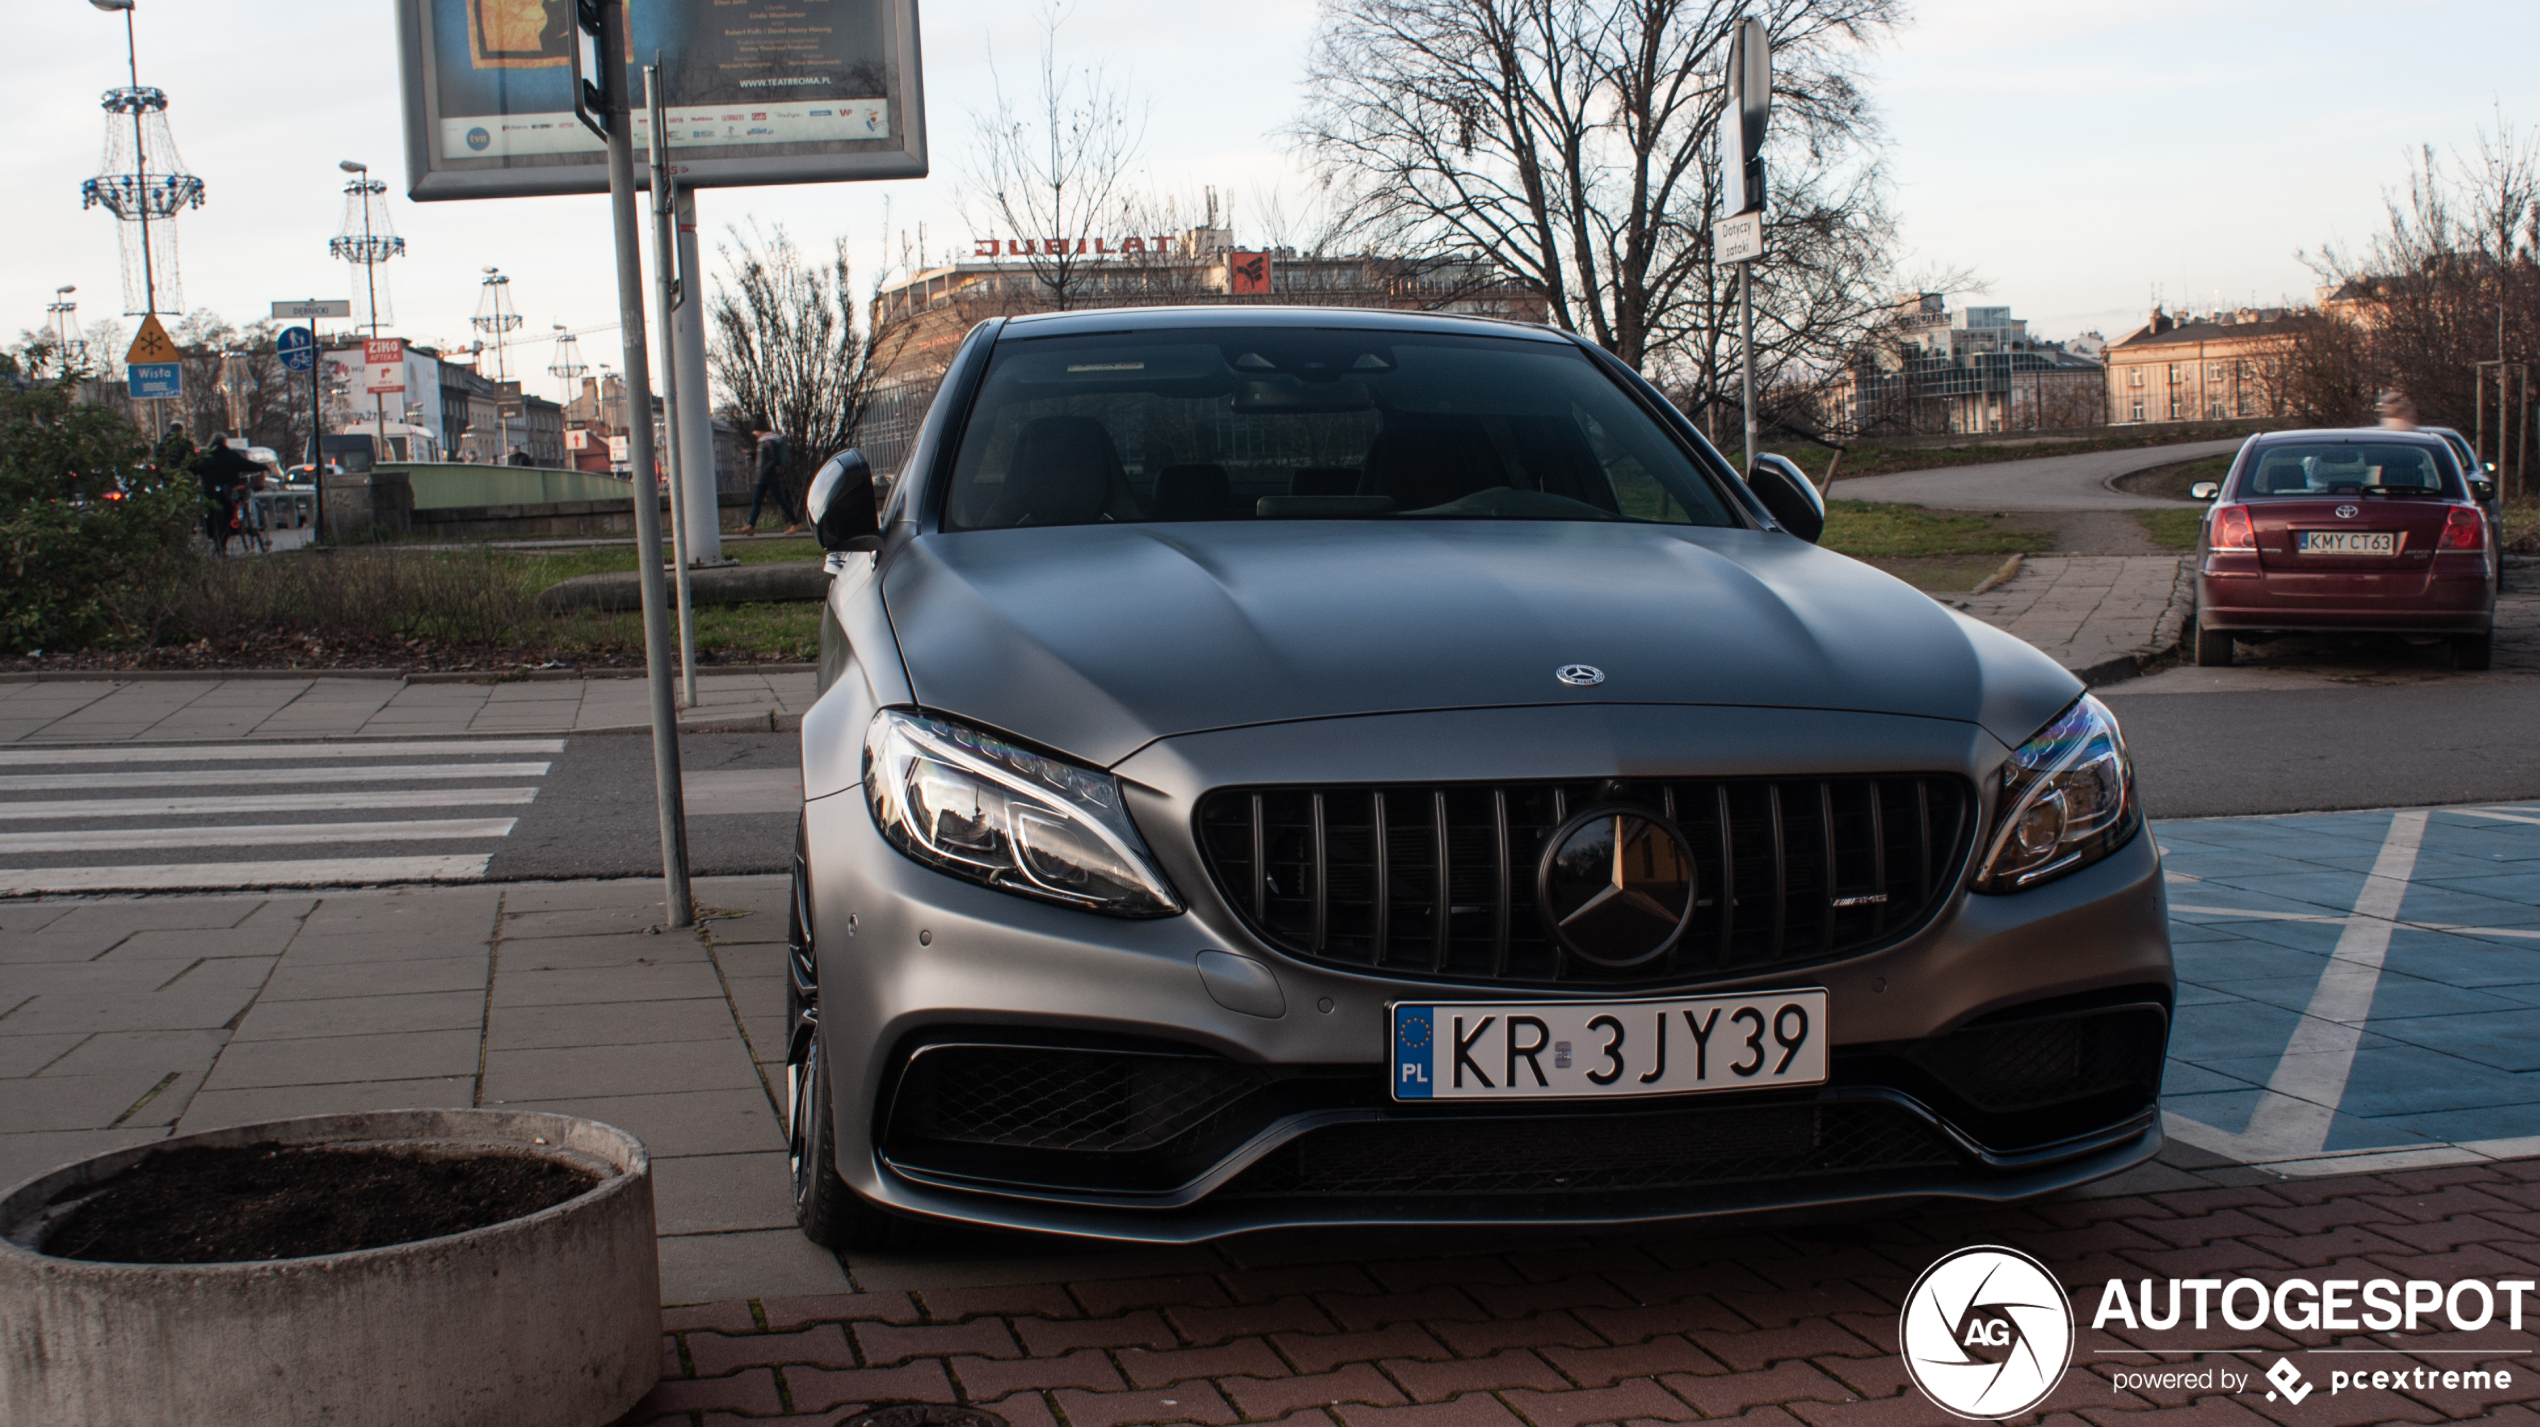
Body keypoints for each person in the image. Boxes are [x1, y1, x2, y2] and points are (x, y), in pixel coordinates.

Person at [194, 432, 260, 554]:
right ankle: (223, 542)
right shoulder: (231, 455)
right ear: (225, 442)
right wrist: (262, 467)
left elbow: (196, 470)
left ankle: (215, 540)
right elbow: (246, 465)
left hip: (209, 493)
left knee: (210, 516)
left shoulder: (206, 457)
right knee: (226, 517)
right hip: (228, 493)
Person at [737, 424, 800, 535]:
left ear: (760, 430)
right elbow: (762, 458)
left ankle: (795, 523)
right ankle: (751, 525)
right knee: (757, 501)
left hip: (771, 477)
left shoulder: (770, 441)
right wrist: (751, 453)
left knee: (780, 500)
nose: (753, 433)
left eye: (755, 431)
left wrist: (765, 470)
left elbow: (775, 459)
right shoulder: (763, 441)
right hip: (763, 476)